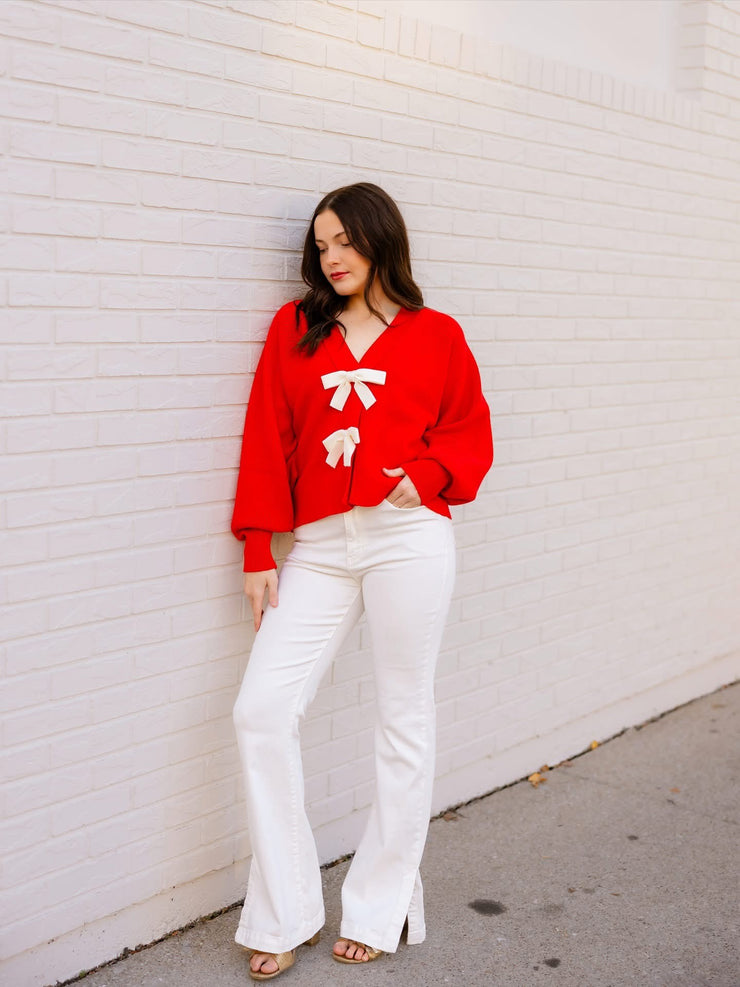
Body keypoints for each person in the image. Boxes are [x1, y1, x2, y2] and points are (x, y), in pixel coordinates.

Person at [230, 182, 493, 981]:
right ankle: (285, 909)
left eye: (344, 239)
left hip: (409, 539)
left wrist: (424, 475)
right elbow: (266, 431)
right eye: (321, 244)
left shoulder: (436, 333)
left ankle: (380, 904)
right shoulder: (295, 329)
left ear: (381, 239)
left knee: (402, 717)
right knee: (261, 709)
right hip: (317, 545)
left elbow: (469, 430)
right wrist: (255, 547)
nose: (331, 256)